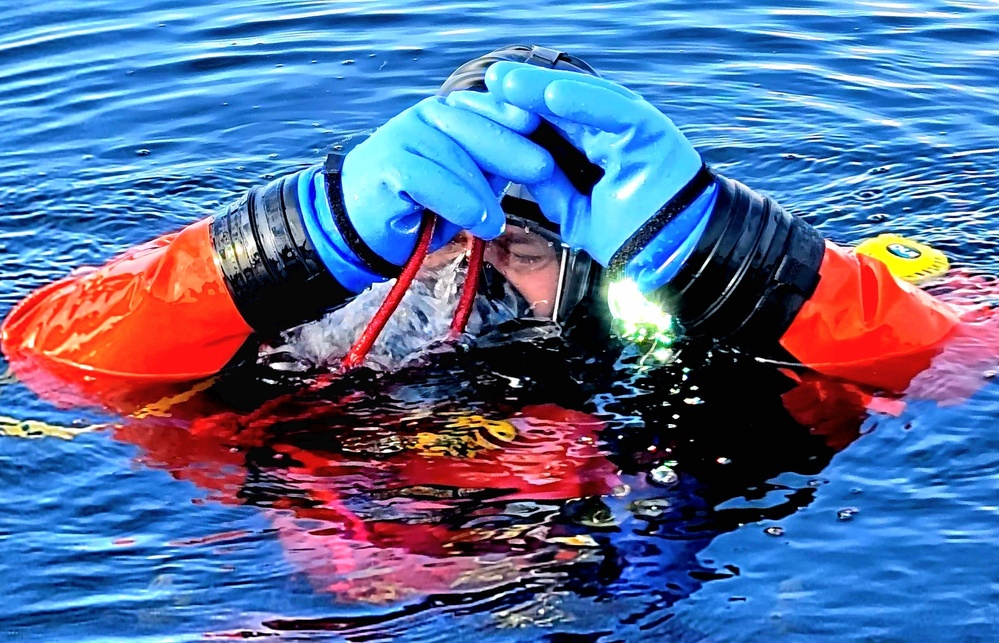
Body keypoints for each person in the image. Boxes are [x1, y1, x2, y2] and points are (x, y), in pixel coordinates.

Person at [2, 46, 996, 613]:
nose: (475, 283)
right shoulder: (307, 305)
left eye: (524, 246)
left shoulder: (689, 308)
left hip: (621, 571)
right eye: (441, 241)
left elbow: (963, 351)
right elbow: (43, 353)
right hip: (336, 569)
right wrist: (291, 238)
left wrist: (726, 249)